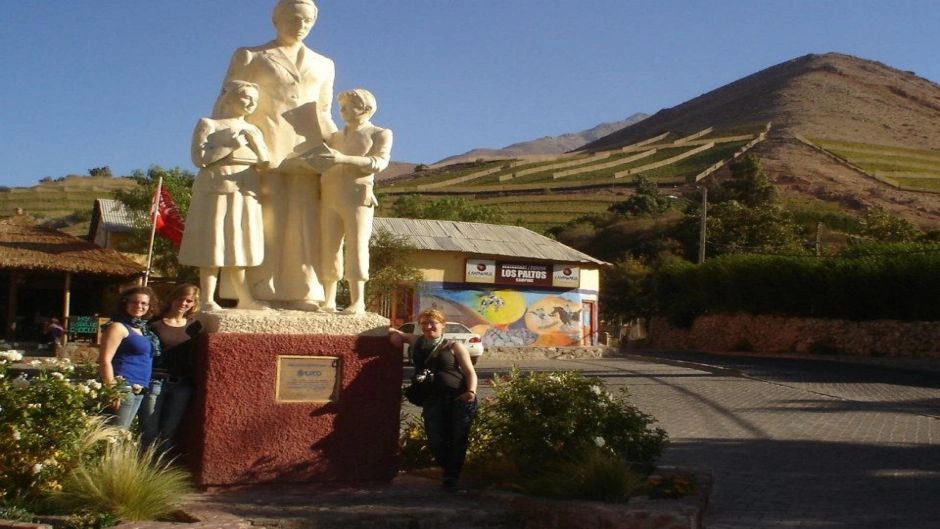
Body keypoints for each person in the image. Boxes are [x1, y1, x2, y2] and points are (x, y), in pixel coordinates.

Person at [218, 0, 338, 310]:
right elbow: (226, 104)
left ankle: (304, 291)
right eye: (294, 17)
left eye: (307, 19)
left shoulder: (324, 63)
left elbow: (323, 111)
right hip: (261, 147)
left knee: (304, 220)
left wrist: (343, 143)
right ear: (277, 19)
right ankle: (254, 290)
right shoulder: (251, 55)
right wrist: (222, 148)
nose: (301, 24)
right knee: (262, 219)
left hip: (308, 151)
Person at [179, 80, 270, 311]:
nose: (251, 103)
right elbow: (199, 159)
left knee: (238, 242)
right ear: (230, 98)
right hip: (215, 187)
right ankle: (208, 298)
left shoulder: (253, 129)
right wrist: (229, 146)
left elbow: (266, 163)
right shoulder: (208, 124)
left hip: (245, 187)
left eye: (254, 100)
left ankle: (245, 297)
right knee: (213, 242)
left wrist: (258, 146)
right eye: (246, 97)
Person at [316, 88, 392, 314]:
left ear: (365, 109)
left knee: (357, 246)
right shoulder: (335, 137)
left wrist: (343, 159)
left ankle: (357, 300)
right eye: (341, 107)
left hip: (358, 197)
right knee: (329, 248)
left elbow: (379, 162)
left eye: (348, 107)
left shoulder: (379, 133)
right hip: (330, 195)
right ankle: (328, 299)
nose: (343, 111)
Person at [389, 309, 479, 490]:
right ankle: (448, 468)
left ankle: (451, 476)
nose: (428, 327)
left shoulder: (453, 346)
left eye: (433, 323)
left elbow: (470, 372)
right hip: (433, 399)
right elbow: (393, 331)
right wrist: (395, 336)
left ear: (442, 325)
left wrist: (471, 392)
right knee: (435, 438)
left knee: (457, 438)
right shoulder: (417, 342)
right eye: (424, 323)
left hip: (458, 397)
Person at [147, 284, 203, 454]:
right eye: (180, 298)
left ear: (194, 304)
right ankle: (144, 470)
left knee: (169, 433)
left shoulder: (195, 326)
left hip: (182, 386)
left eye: (189, 300)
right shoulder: (154, 324)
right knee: (149, 431)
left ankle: (161, 471)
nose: (183, 303)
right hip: (155, 383)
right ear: (172, 298)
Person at [97, 286, 162, 431]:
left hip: (139, 388)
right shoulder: (118, 327)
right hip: (123, 387)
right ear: (125, 303)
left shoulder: (143, 330)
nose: (139, 306)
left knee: (121, 434)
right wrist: (112, 390)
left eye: (144, 303)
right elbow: (104, 359)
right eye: (134, 302)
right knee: (114, 434)